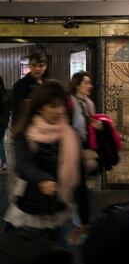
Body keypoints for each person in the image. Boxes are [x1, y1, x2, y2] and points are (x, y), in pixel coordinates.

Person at [3, 80, 89, 247]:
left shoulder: (70, 136)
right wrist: (42, 180)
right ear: (41, 107)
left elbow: (79, 180)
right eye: (52, 106)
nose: (58, 111)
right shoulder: (26, 132)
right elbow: (24, 163)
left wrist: (85, 218)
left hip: (60, 211)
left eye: (61, 106)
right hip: (29, 212)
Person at [11, 52, 48, 126]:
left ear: (46, 67)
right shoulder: (20, 85)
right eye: (34, 65)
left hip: (44, 128)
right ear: (29, 65)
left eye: (41, 66)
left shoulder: (47, 84)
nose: (37, 69)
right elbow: (16, 112)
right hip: (27, 129)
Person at [0, 75, 10, 173]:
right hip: (4, 122)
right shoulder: (6, 93)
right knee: (1, 141)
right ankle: (3, 162)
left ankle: (3, 162)